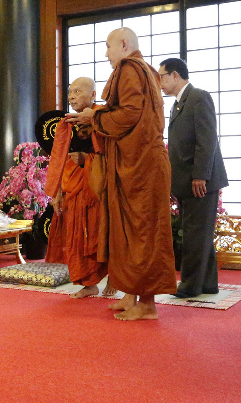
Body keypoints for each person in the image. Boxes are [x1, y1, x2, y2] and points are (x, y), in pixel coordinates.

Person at [65, 27, 176, 320]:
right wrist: (93, 121)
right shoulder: (142, 69)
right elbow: (129, 115)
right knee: (127, 232)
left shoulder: (129, 68)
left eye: (108, 46)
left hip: (142, 167)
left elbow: (129, 115)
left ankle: (147, 305)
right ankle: (130, 294)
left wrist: (95, 116)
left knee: (143, 233)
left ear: (124, 44)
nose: (106, 54)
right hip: (136, 164)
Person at [158, 58, 228, 298]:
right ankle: (207, 284)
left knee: (195, 234)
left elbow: (207, 140)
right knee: (199, 232)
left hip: (200, 181)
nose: (160, 83)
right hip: (186, 180)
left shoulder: (198, 97)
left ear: (175, 75)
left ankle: (190, 286)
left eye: (162, 77)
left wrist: (200, 175)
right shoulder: (178, 104)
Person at [45, 77, 113, 298]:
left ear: (93, 95)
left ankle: (114, 278)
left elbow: (112, 154)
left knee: (98, 235)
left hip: (96, 189)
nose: (71, 97)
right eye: (70, 92)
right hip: (73, 187)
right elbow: (59, 160)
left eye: (77, 92)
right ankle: (89, 284)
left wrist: (86, 159)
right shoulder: (66, 124)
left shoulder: (103, 119)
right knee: (76, 238)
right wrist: (57, 192)